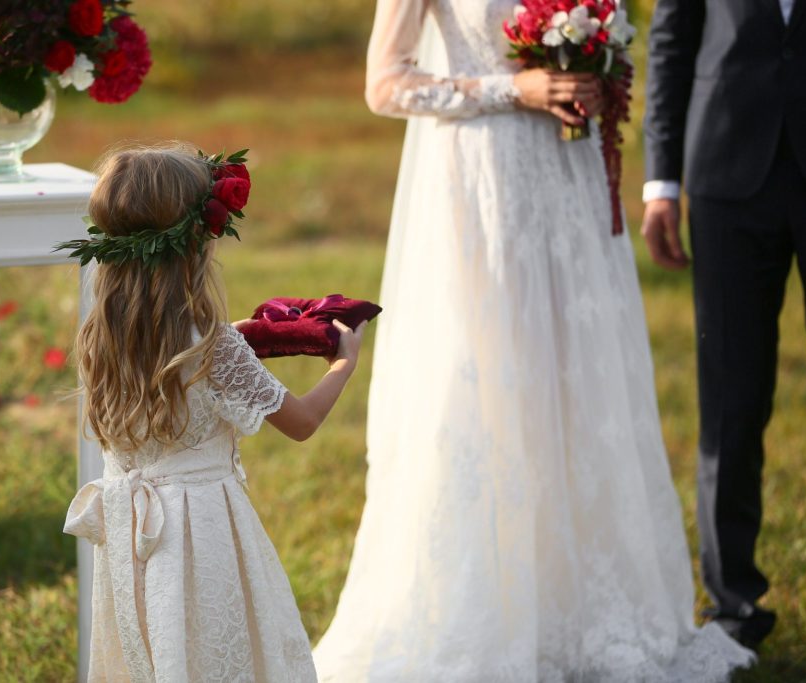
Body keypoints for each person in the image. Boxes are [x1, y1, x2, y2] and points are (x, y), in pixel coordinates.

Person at [312, 1, 754, 680]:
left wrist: (591, 74)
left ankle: (585, 608)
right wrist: (512, 89)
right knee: (492, 381)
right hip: (480, 183)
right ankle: (493, 608)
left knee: (581, 385)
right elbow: (385, 83)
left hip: (568, 180)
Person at [60, 144, 364, 682]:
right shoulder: (213, 350)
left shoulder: (100, 337)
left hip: (134, 541)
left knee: (155, 650)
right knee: (214, 651)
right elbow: (300, 423)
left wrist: (240, 338)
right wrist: (344, 363)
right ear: (195, 245)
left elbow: (183, 362)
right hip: (202, 537)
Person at [643, 0, 806, 648]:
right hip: (727, 174)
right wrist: (660, 182)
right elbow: (672, 41)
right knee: (731, 401)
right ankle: (734, 601)